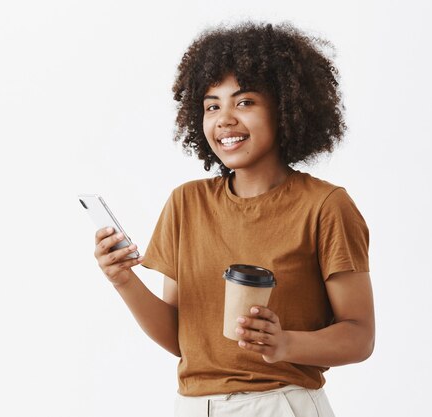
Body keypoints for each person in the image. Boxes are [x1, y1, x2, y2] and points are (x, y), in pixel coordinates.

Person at [92, 21, 374, 417]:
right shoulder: (186, 204)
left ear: (285, 107)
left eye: (244, 102)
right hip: (194, 406)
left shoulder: (325, 206)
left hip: (281, 404)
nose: (224, 119)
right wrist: (123, 280)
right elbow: (180, 338)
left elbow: (359, 336)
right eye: (212, 106)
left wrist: (285, 345)